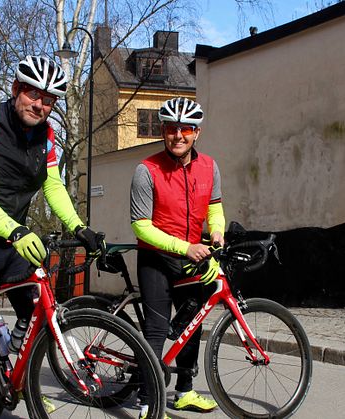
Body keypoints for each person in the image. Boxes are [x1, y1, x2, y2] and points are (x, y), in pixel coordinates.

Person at [0, 55, 102, 418]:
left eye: (49, 100)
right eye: (33, 94)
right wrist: (15, 230)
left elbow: (53, 186)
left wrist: (79, 227)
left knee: (38, 314)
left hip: (10, 238)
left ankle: (22, 379)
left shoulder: (45, 137)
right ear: (16, 90)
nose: (40, 104)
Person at [130, 97, 223, 418]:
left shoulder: (209, 166)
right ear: (163, 131)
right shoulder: (147, 170)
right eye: (171, 129)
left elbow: (214, 206)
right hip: (156, 258)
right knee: (156, 330)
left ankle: (184, 391)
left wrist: (217, 232)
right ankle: (147, 404)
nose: (178, 135)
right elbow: (141, 227)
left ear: (197, 132)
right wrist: (186, 247)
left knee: (192, 326)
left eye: (186, 129)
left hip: (191, 257)